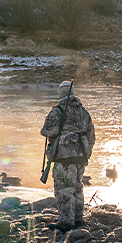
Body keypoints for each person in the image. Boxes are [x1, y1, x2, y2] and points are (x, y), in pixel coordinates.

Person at [41, 80, 95, 231]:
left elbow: (47, 131)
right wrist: (86, 153)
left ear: (60, 93)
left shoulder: (57, 111)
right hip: (81, 158)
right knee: (77, 187)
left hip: (63, 158)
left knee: (64, 188)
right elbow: (91, 135)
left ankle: (66, 222)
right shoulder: (83, 112)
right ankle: (78, 220)